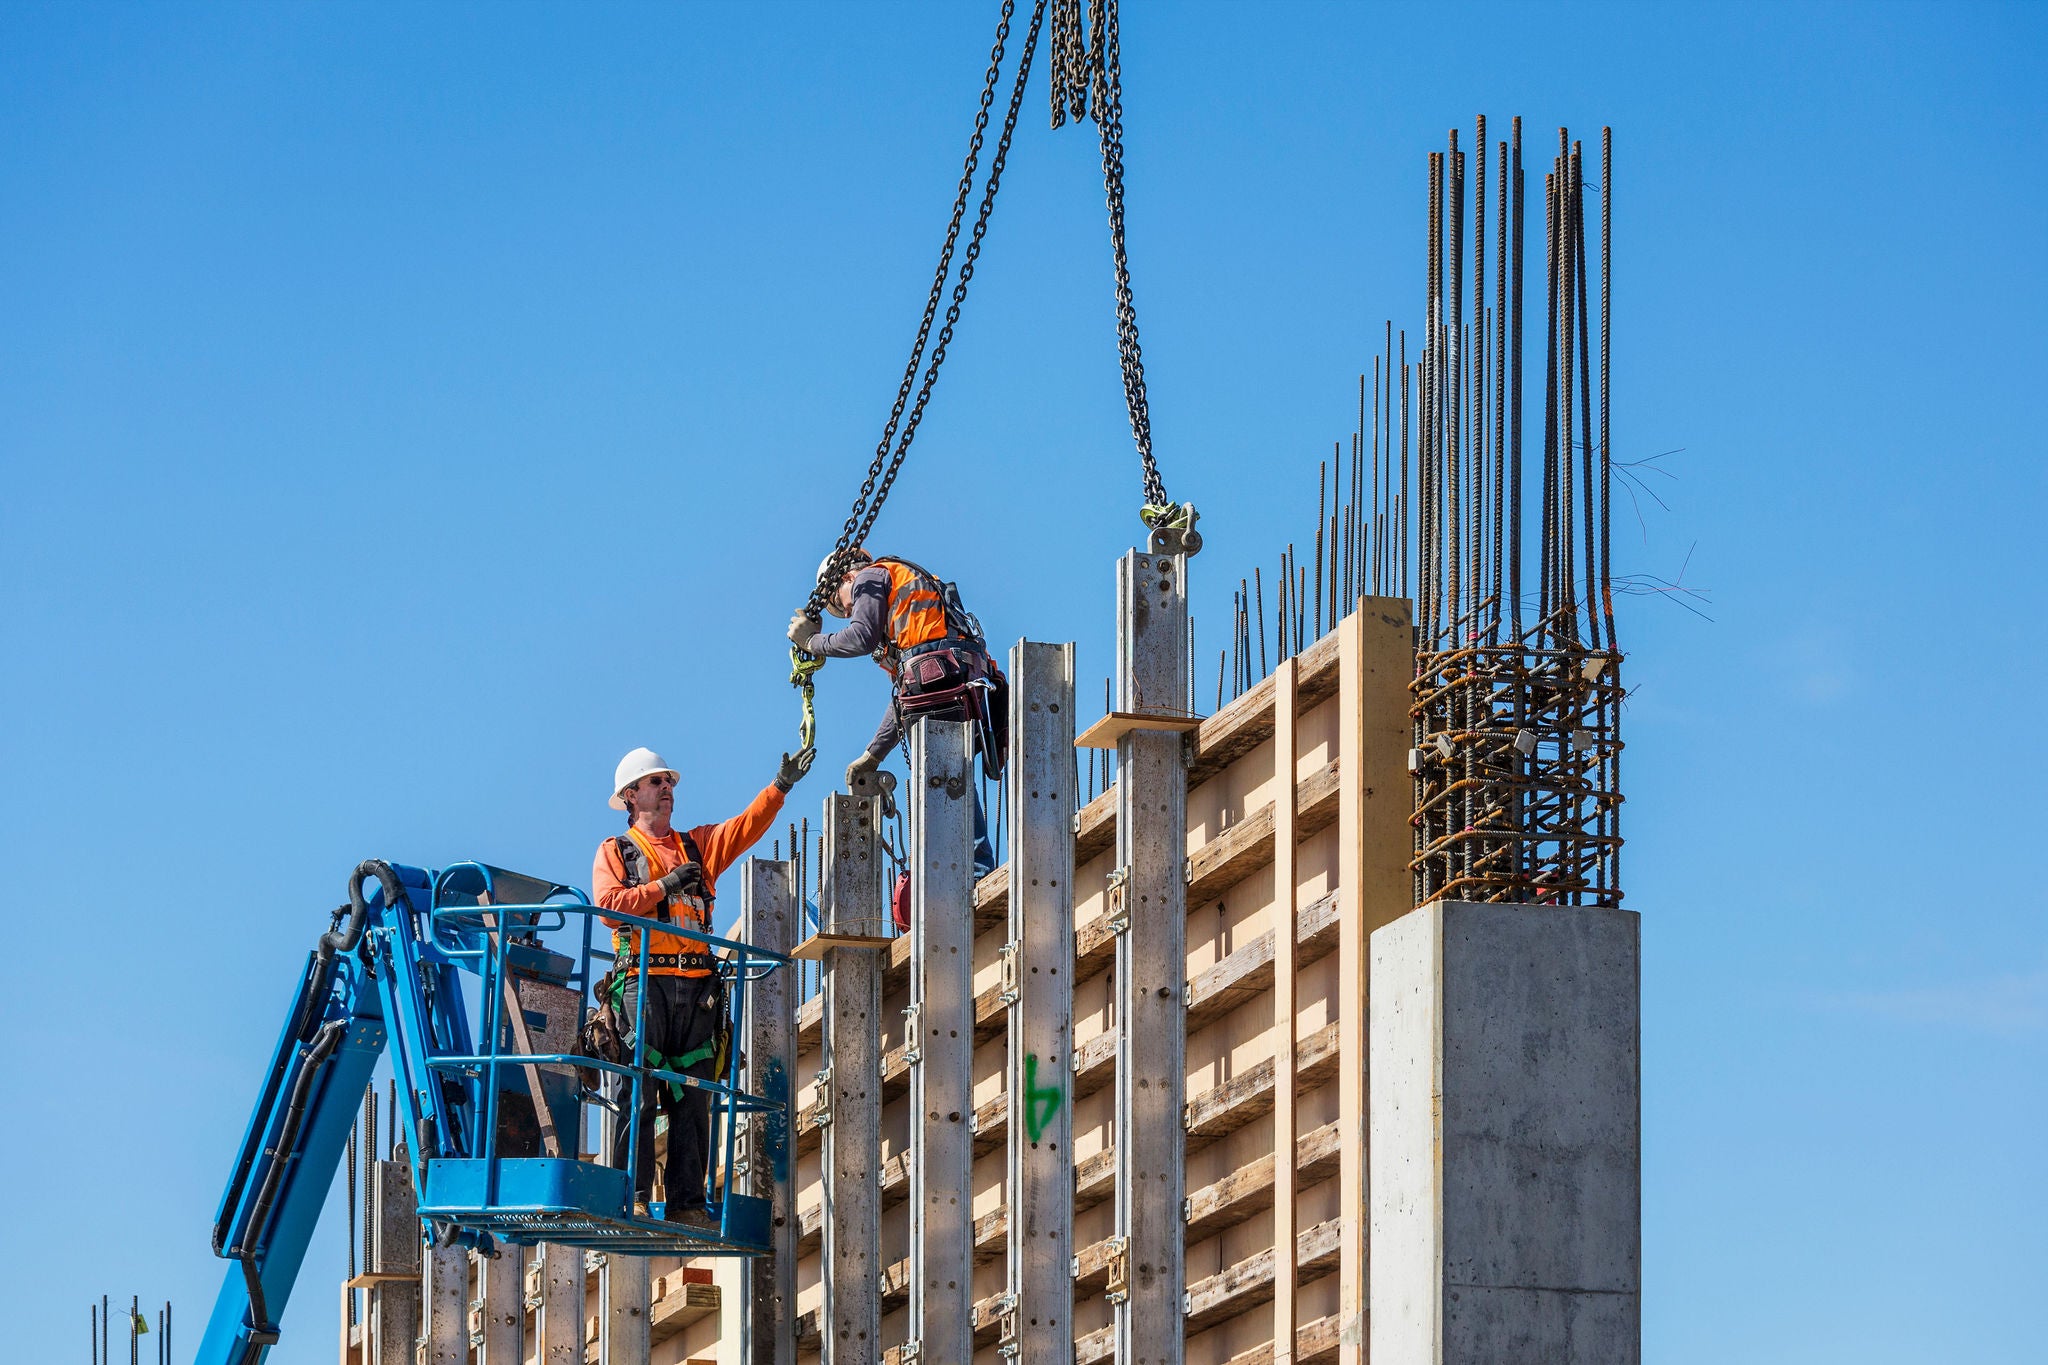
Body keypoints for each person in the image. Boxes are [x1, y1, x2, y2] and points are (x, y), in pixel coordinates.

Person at [591, 742, 812, 1225]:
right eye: (656, 781)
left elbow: (745, 827)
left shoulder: (697, 847)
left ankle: (688, 1203)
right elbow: (609, 907)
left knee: (694, 1096)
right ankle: (630, 1195)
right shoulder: (618, 852)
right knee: (639, 1090)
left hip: (696, 989)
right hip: (643, 985)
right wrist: (665, 887)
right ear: (630, 795)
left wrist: (781, 787)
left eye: (669, 781)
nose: (667, 787)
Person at [788, 549, 1004, 875]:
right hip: (948, 679)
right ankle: (967, 869)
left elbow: (861, 637)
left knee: (945, 776)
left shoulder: (870, 577)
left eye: (843, 603)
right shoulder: (904, 624)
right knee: (948, 775)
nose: (849, 611)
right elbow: (903, 694)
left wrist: (813, 642)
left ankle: (973, 870)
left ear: (846, 577)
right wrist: (872, 756)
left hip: (942, 679)